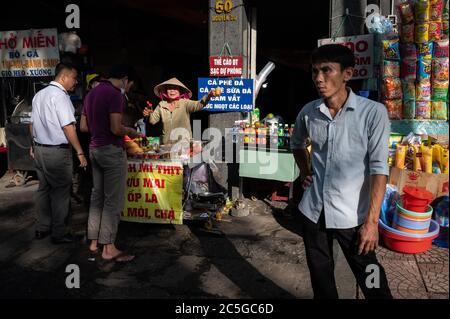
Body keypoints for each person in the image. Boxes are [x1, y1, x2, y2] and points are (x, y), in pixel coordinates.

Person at [290, 44, 392, 299]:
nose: (319, 78)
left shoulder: (372, 113)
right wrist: (306, 171)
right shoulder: (309, 112)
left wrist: (371, 223)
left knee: (371, 276)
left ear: (347, 74)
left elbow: (379, 168)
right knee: (321, 278)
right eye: (315, 72)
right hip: (313, 212)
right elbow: (296, 144)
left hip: (352, 216)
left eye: (327, 70)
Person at [80, 64, 140, 262]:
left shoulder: (92, 93)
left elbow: (83, 127)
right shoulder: (115, 94)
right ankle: (109, 248)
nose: (128, 89)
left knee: (97, 197)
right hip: (111, 151)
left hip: (94, 149)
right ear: (125, 79)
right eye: (129, 85)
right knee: (113, 201)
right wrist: (130, 131)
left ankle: (93, 242)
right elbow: (116, 129)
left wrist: (100, 129)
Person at [30, 62, 88, 244]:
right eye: (74, 78)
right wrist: (80, 152)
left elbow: (31, 124)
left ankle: (42, 228)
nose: (76, 82)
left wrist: (32, 144)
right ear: (63, 77)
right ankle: (59, 232)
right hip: (56, 152)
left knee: (43, 188)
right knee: (61, 192)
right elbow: (68, 127)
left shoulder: (39, 95)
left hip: (40, 149)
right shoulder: (60, 96)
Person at [142, 78, 217, 145]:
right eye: (169, 88)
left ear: (180, 91)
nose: (172, 91)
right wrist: (148, 114)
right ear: (165, 91)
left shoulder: (185, 103)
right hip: (167, 145)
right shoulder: (161, 105)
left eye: (175, 88)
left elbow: (199, 104)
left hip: (184, 145)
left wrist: (208, 96)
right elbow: (153, 121)